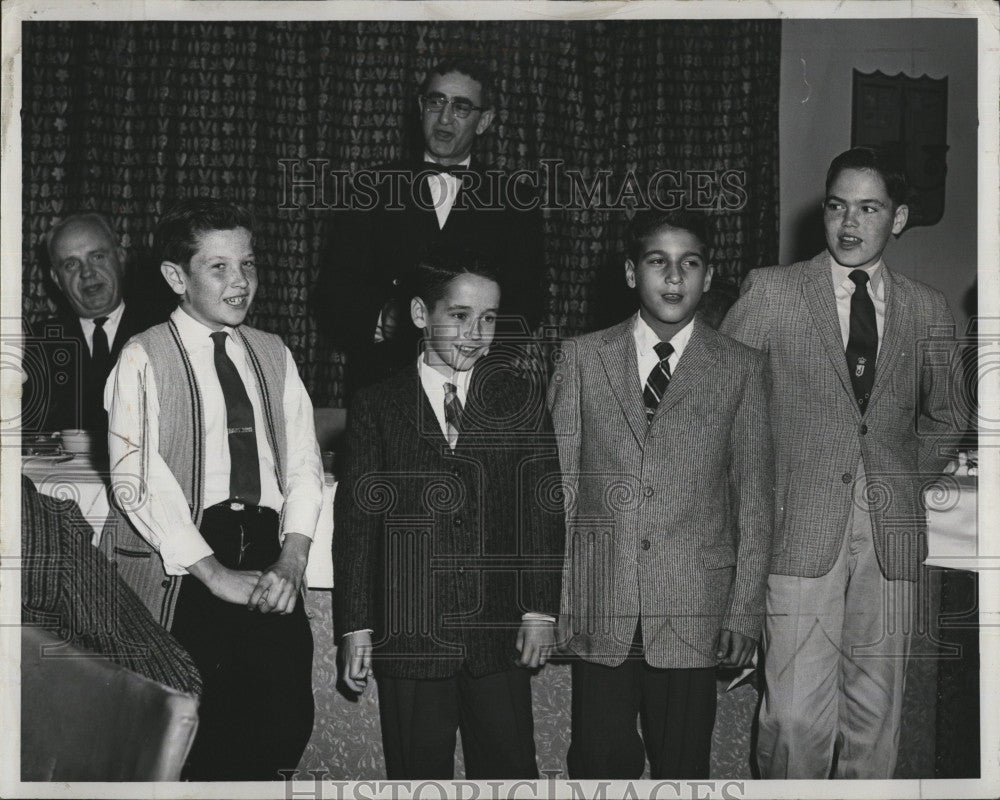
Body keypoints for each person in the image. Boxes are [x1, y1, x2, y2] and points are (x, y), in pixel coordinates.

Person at [720, 146, 958, 779]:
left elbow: (949, 416)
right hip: (798, 527)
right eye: (836, 206)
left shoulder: (930, 308)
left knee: (874, 720)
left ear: (899, 219)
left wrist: (902, 480)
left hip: (890, 535)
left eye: (869, 208)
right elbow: (722, 398)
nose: (849, 224)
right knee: (794, 717)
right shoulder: (773, 292)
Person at [103, 198, 324, 781]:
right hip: (188, 560)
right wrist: (214, 573)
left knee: (281, 721)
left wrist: (294, 558)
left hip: (268, 549)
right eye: (219, 267)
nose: (240, 282)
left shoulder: (273, 353)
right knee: (199, 733)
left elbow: (302, 461)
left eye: (247, 265)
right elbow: (137, 481)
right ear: (177, 277)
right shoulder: (143, 355)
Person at [548, 210, 773, 779]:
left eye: (689, 264)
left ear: (708, 275)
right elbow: (562, 491)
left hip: (694, 605)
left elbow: (754, 499)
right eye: (657, 263)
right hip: (604, 601)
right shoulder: (583, 357)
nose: (674, 278)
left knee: (683, 765)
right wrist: (554, 597)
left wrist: (744, 610)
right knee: (598, 764)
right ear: (630, 273)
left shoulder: (740, 367)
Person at [333, 245, 564, 779]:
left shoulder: (520, 398)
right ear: (420, 315)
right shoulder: (378, 405)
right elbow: (358, 528)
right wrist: (357, 627)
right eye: (459, 316)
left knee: (510, 775)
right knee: (416, 775)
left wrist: (538, 610)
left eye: (488, 319)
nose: (474, 333)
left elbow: (543, 512)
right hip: (410, 637)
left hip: (498, 636)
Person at [313, 57, 545, 399]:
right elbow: (333, 291)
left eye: (462, 106)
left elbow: (528, 302)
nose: (445, 117)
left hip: (474, 388)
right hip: (383, 385)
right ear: (421, 108)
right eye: (436, 102)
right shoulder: (371, 187)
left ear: (485, 121)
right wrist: (381, 318)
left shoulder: (515, 200)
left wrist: (476, 359)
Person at [26, 213, 159, 432]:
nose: (87, 272)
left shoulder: (163, 330)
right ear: (57, 278)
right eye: (71, 264)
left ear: (120, 257)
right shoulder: (35, 345)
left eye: (97, 257)